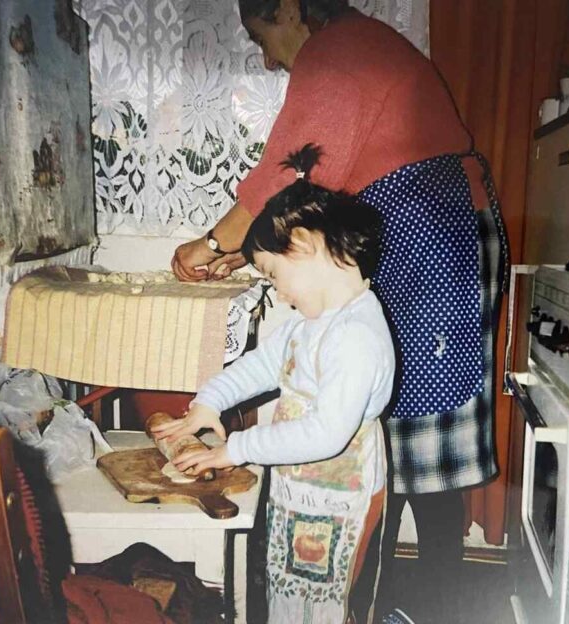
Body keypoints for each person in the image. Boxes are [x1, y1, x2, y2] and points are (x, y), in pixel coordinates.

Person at [170, 1, 509, 621]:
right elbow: (309, 196)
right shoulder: (360, 47)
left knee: (425, 448)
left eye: (262, 35)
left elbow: (285, 179)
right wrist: (250, 254)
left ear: (290, 7)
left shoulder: (338, 50)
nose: (265, 59)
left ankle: (430, 608)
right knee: (401, 439)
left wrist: (212, 244)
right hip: (425, 238)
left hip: (431, 242)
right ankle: (393, 602)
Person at [156, 145, 395, 624]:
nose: (279, 293)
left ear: (303, 245)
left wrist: (236, 449)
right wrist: (209, 403)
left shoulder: (357, 336)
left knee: (330, 609)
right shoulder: (310, 323)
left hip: (342, 502)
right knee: (292, 599)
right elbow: (260, 366)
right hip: (300, 496)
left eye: (273, 275)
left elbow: (326, 434)